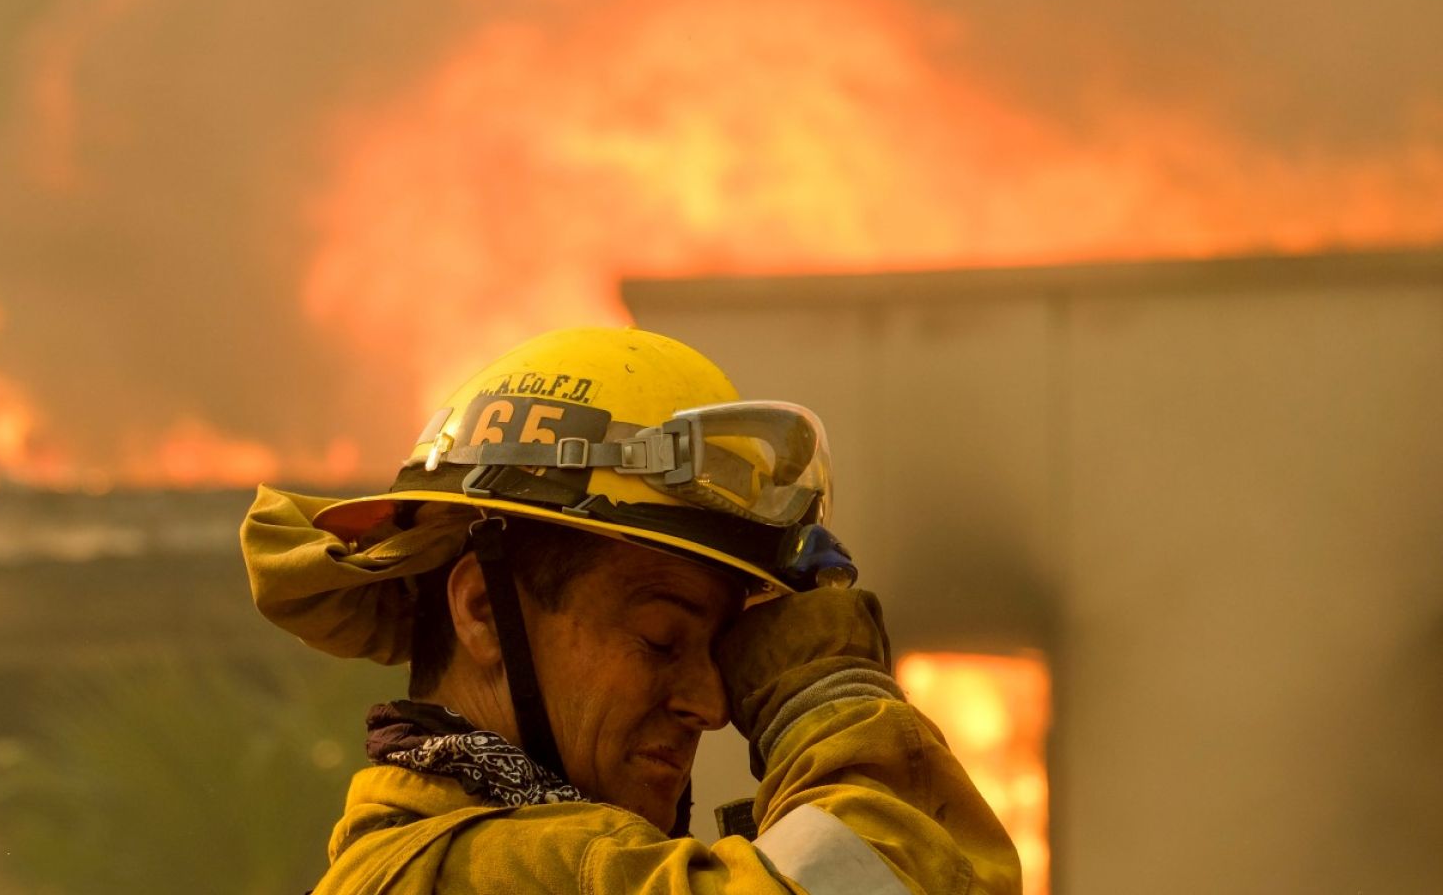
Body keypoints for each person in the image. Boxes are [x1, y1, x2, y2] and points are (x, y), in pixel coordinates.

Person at [241, 326, 1020, 893]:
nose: (712, 703)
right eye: (660, 638)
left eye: (719, 649)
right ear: (481, 609)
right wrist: (826, 692)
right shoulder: (485, 876)